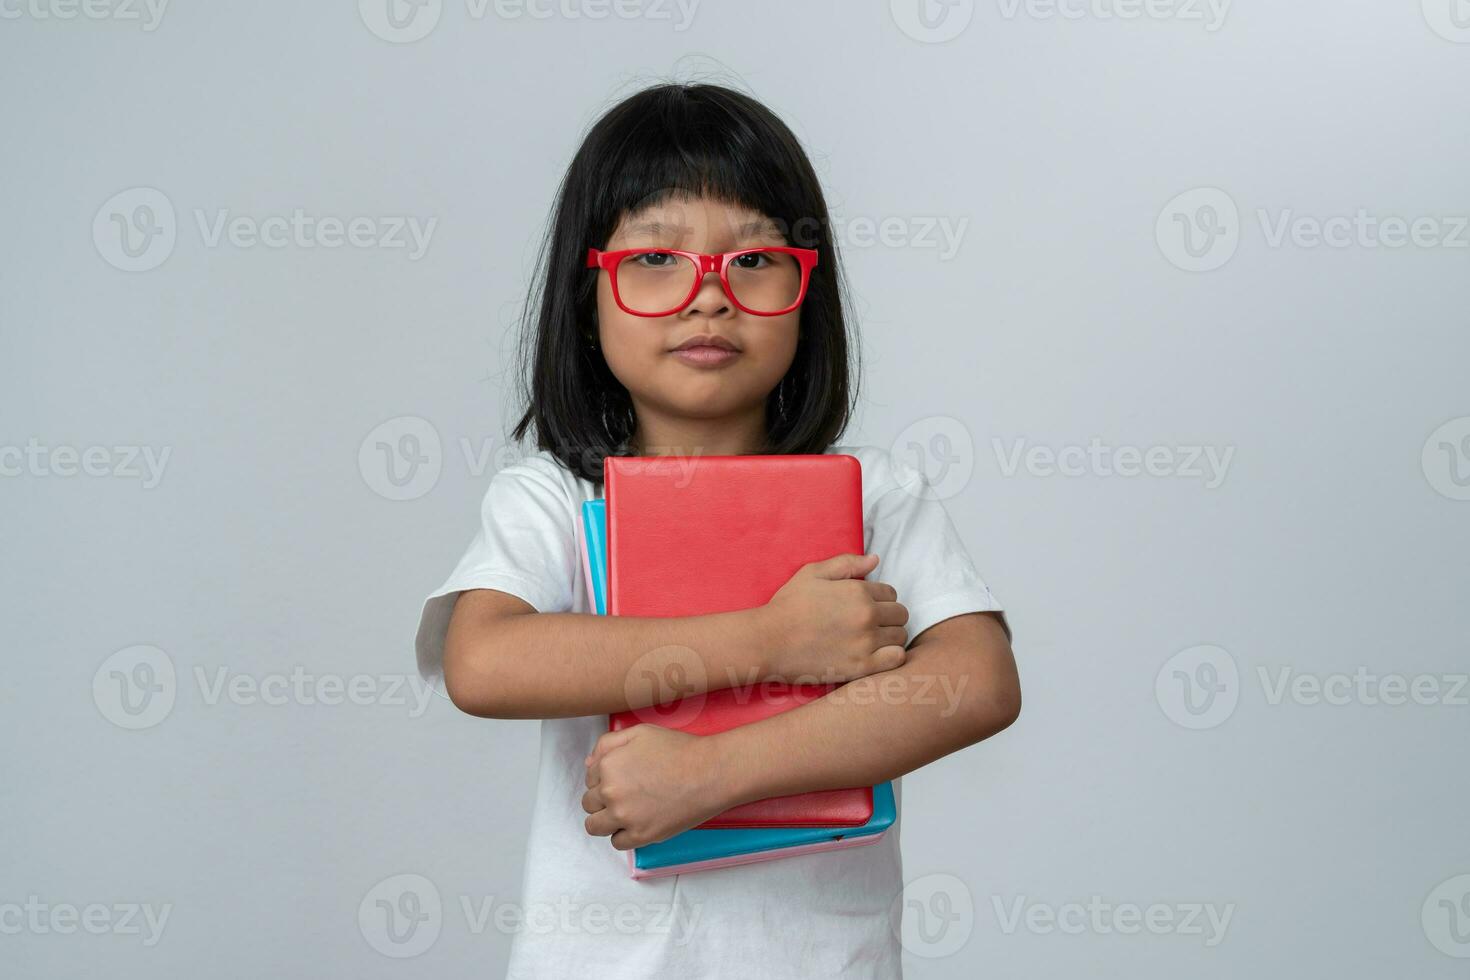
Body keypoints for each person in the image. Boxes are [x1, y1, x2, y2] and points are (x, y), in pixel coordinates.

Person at [414, 80, 1020, 979]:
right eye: (655, 258)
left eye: (753, 260)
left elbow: (976, 684)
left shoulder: (875, 493)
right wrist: (770, 639)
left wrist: (713, 774)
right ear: (590, 297)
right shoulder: (552, 496)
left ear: (806, 293)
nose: (708, 296)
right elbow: (484, 662)